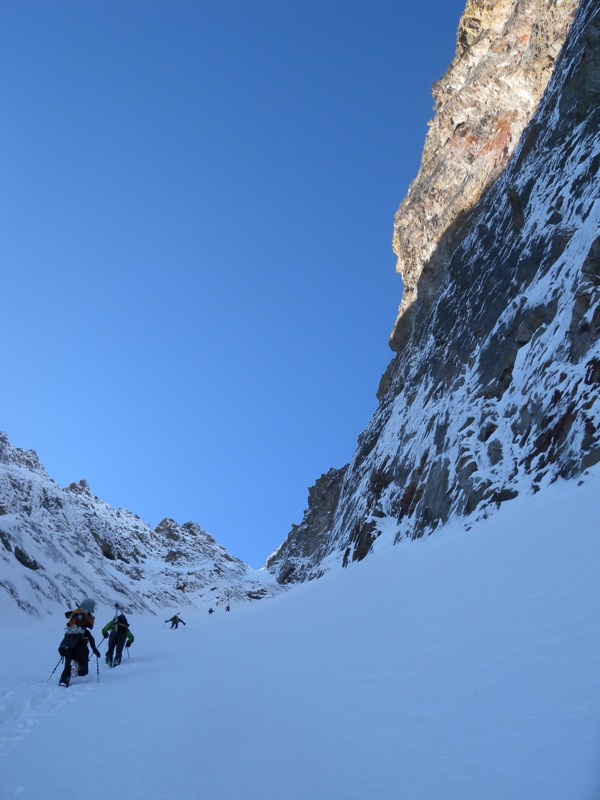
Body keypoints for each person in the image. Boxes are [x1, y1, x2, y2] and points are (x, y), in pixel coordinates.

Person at [58, 598, 101, 688]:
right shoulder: (86, 632)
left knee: (67, 666)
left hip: (70, 647)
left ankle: (63, 681)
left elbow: (64, 640)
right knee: (83, 671)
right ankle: (78, 668)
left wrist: (61, 648)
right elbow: (91, 639)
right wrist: (95, 650)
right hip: (82, 649)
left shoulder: (70, 632)